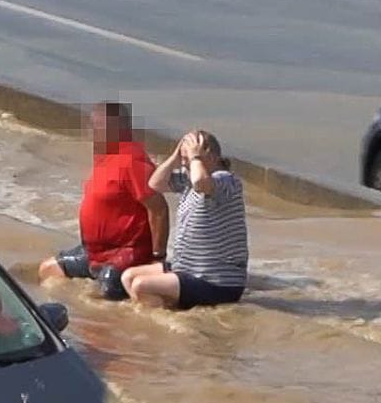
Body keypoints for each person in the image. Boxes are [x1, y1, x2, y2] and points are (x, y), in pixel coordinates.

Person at [38, 102, 169, 297]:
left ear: (118, 128)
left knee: (103, 296)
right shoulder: (107, 156)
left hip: (126, 251)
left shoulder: (133, 161)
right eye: (92, 125)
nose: (92, 131)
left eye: (98, 126)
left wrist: (158, 257)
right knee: (48, 270)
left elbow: (159, 209)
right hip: (95, 251)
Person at [122, 130, 248, 310]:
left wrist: (195, 157)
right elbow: (155, 184)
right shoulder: (189, 179)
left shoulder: (226, 181)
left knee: (142, 285)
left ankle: (165, 324)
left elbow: (202, 183)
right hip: (188, 268)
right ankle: (165, 313)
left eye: (189, 158)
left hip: (216, 280)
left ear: (210, 156)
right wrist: (175, 157)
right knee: (129, 277)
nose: (186, 163)